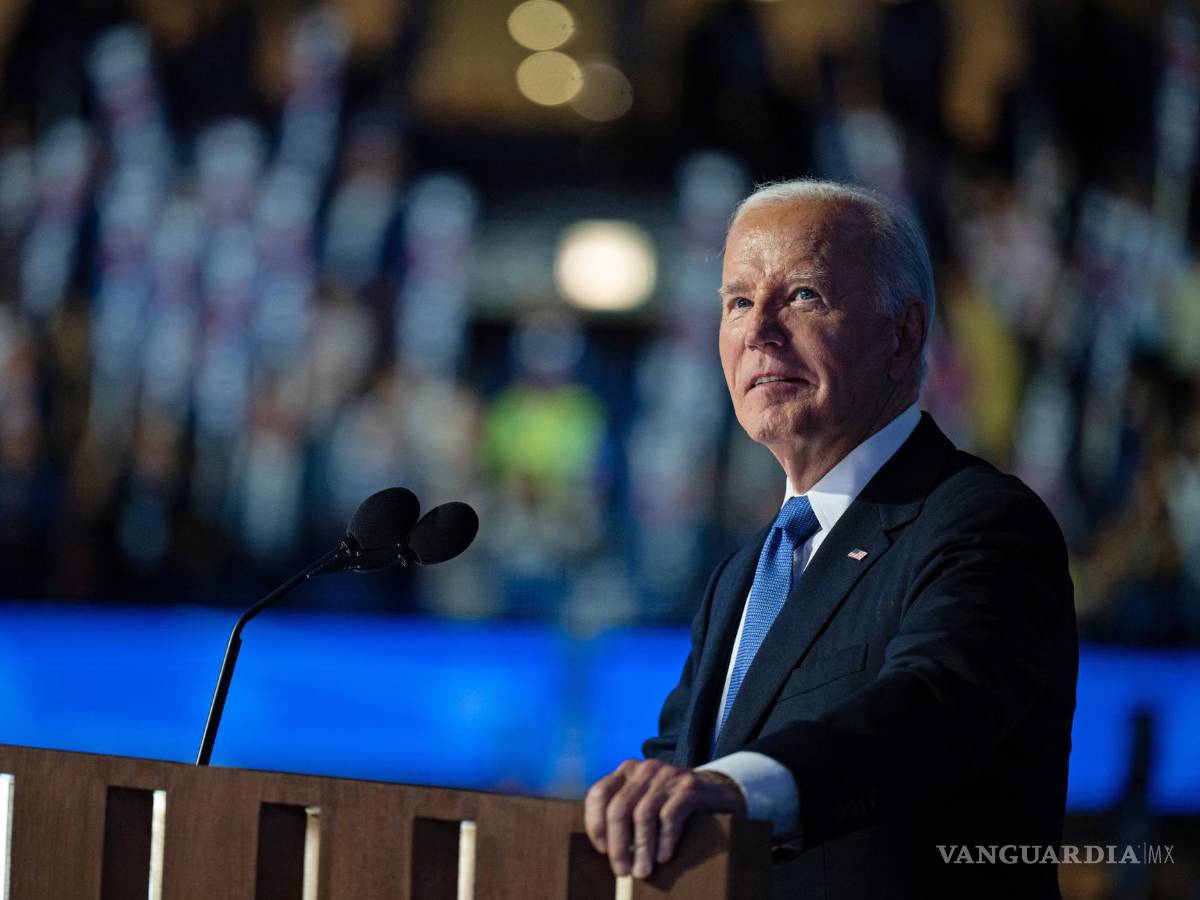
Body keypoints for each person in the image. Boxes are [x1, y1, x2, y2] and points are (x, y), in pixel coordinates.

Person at [585, 180, 1078, 899]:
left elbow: (928, 711)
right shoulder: (743, 574)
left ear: (903, 334)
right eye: (739, 302)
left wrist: (733, 790)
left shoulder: (982, 522)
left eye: (804, 297)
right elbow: (679, 773)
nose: (759, 332)